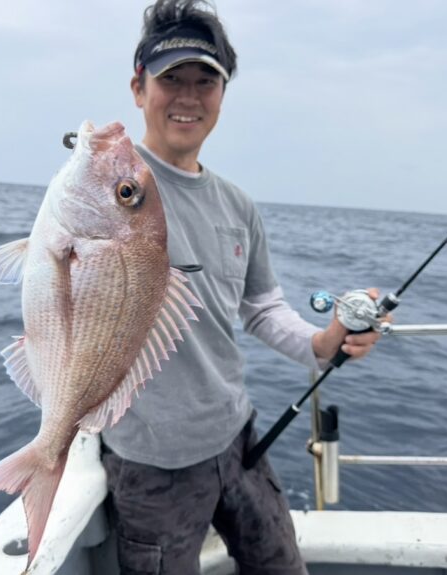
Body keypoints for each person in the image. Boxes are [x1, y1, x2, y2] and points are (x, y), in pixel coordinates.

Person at [100, 1, 385, 573]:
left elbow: (260, 306)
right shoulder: (110, 187)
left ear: (223, 95)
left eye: (205, 81)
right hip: (153, 461)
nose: (188, 96)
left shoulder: (237, 205)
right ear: (138, 88)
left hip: (237, 437)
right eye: (171, 79)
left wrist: (323, 342)